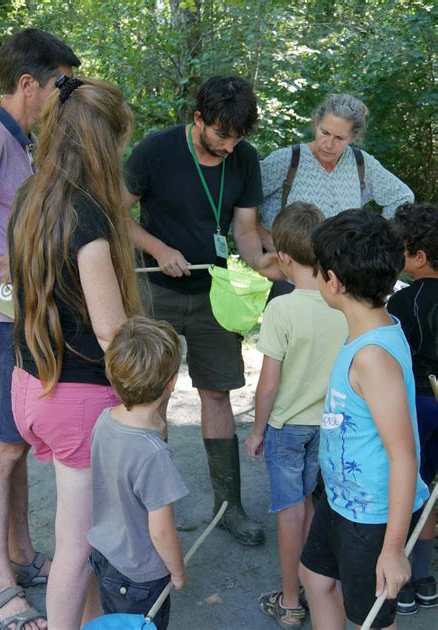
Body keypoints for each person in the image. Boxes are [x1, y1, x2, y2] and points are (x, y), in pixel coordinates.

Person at [8, 77, 141, 629]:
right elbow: (112, 330)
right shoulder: (87, 216)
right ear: (101, 144)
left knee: (83, 537)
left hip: (31, 385)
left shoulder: (31, 196)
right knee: (77, 547)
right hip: (77, 396)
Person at [124, 75, 280, 546]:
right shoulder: (155, 151)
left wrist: (265, 265)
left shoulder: (244, 158)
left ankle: (229, 508)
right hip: (156, 289)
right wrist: (157, 248)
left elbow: (247, 231)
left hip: (214, 291)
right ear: (198, 120)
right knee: (152, 397)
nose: (229, 146)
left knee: (218, 393)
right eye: (220, 136)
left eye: (237, 138)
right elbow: (115, 212)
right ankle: (153, 512)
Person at [0, 29, 80, 629]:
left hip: (24, 312)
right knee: (4, 445)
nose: (65, 97)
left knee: (17, 438)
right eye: (61, 85)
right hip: (4, 316)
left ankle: (23, 555)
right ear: (29, 84)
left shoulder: (21, 140)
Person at [299, 209, 429, 630]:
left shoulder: (373, 357)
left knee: (371, 620)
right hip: (341, 498)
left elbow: (405, 455)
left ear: (332, 281)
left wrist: (393, 549)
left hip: (371, 515)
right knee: (314, 578)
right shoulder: (368, 330)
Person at [245, 202, 348, 628]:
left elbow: (268, 384)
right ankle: (316, 583)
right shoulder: (342, 303)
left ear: (283, 257)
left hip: (287, 429)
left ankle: (291, 601)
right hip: (331, 426)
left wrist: (256, 430)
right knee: (314, 505)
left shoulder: (281, 309)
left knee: (291, 511)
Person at [259, 93, 414, 300]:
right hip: (292, 283)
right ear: (316, 123)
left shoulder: (361, 164)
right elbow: (243, 200)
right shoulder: (287, 161)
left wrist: (372, 242)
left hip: (342, 284)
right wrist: (265, 238)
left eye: (340, 138)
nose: (329, 144)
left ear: (354, 137)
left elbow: (402, 197)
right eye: (324, 132)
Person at [88, 316, 189, 630]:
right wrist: (178, 570)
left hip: (105, 558)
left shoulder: (105, 420)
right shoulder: (154, 455)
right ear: (171, 381)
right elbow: (161, 532)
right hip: (141, 576)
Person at [388, 202, 438, 615]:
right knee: (432, 488)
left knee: (409, 487)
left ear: (418, 258)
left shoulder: (405, 304)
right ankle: (424, 577)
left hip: (420, 405)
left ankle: (400, 577)